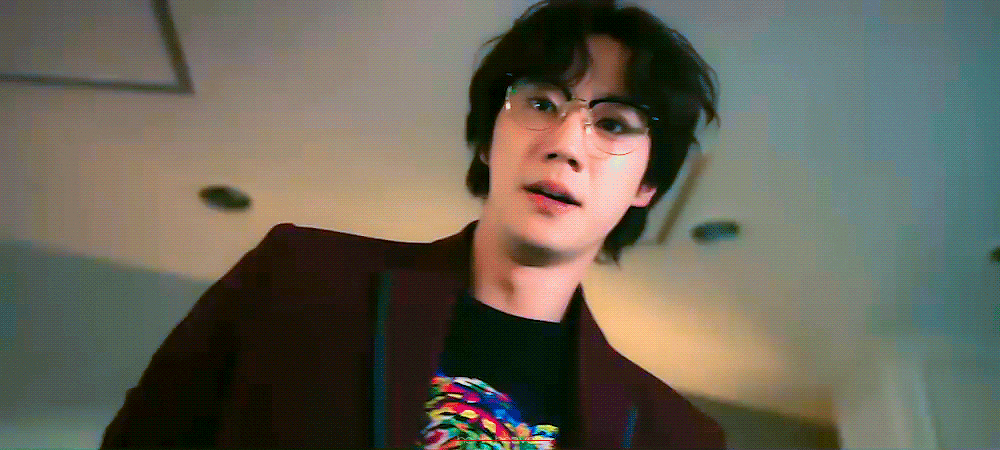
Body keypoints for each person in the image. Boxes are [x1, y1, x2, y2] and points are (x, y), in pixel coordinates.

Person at [101, 0, 723, 448]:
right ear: (489, 138)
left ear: (647, 184)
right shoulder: (298, 279)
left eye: (613, 124)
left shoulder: (675, 436)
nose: (565, 143)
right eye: (541, 102)